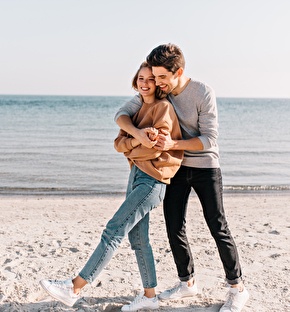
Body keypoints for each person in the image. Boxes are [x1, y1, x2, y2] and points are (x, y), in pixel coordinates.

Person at [115, 44, 250, 312]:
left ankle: (237, 289)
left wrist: (171, 144)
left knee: (217, 225)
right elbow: (121, 115)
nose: (157, 83)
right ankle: (187, 283)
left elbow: (209, 139)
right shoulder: (158, 92)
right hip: (175, 168)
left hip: (206, 167)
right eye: (154, 76)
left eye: (162, 77)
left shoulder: (202, 91)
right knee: (174, 225)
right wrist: (139, 135)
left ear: (179, 71)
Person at [39, 62, 183, 311]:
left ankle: (74, 287)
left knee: (113, 230)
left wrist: (133, 143)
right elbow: (118, 143)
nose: (145, 83)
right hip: (136, 175)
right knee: (138, 240)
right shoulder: (137, 110)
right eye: (141, 78)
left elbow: (156, 145)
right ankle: (150, 296)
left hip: (153, 181)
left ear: (158, 83)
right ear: (135, 80)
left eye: (150, 79)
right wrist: (137, 138)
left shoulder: (163, 108)